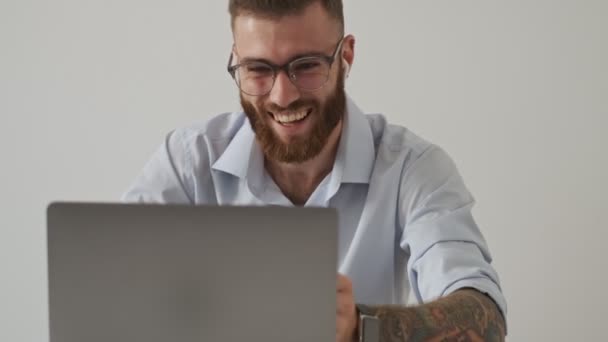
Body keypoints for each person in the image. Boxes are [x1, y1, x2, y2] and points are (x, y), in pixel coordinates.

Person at [122, 1, 507, 341]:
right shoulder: (188, 161)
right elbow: (115, 288)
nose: (282, 96)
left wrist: (360, 327)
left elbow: (485, 320)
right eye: (258, 69)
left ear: (347, 57)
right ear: (236, 60)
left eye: (306, 66)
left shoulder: (412, 168)